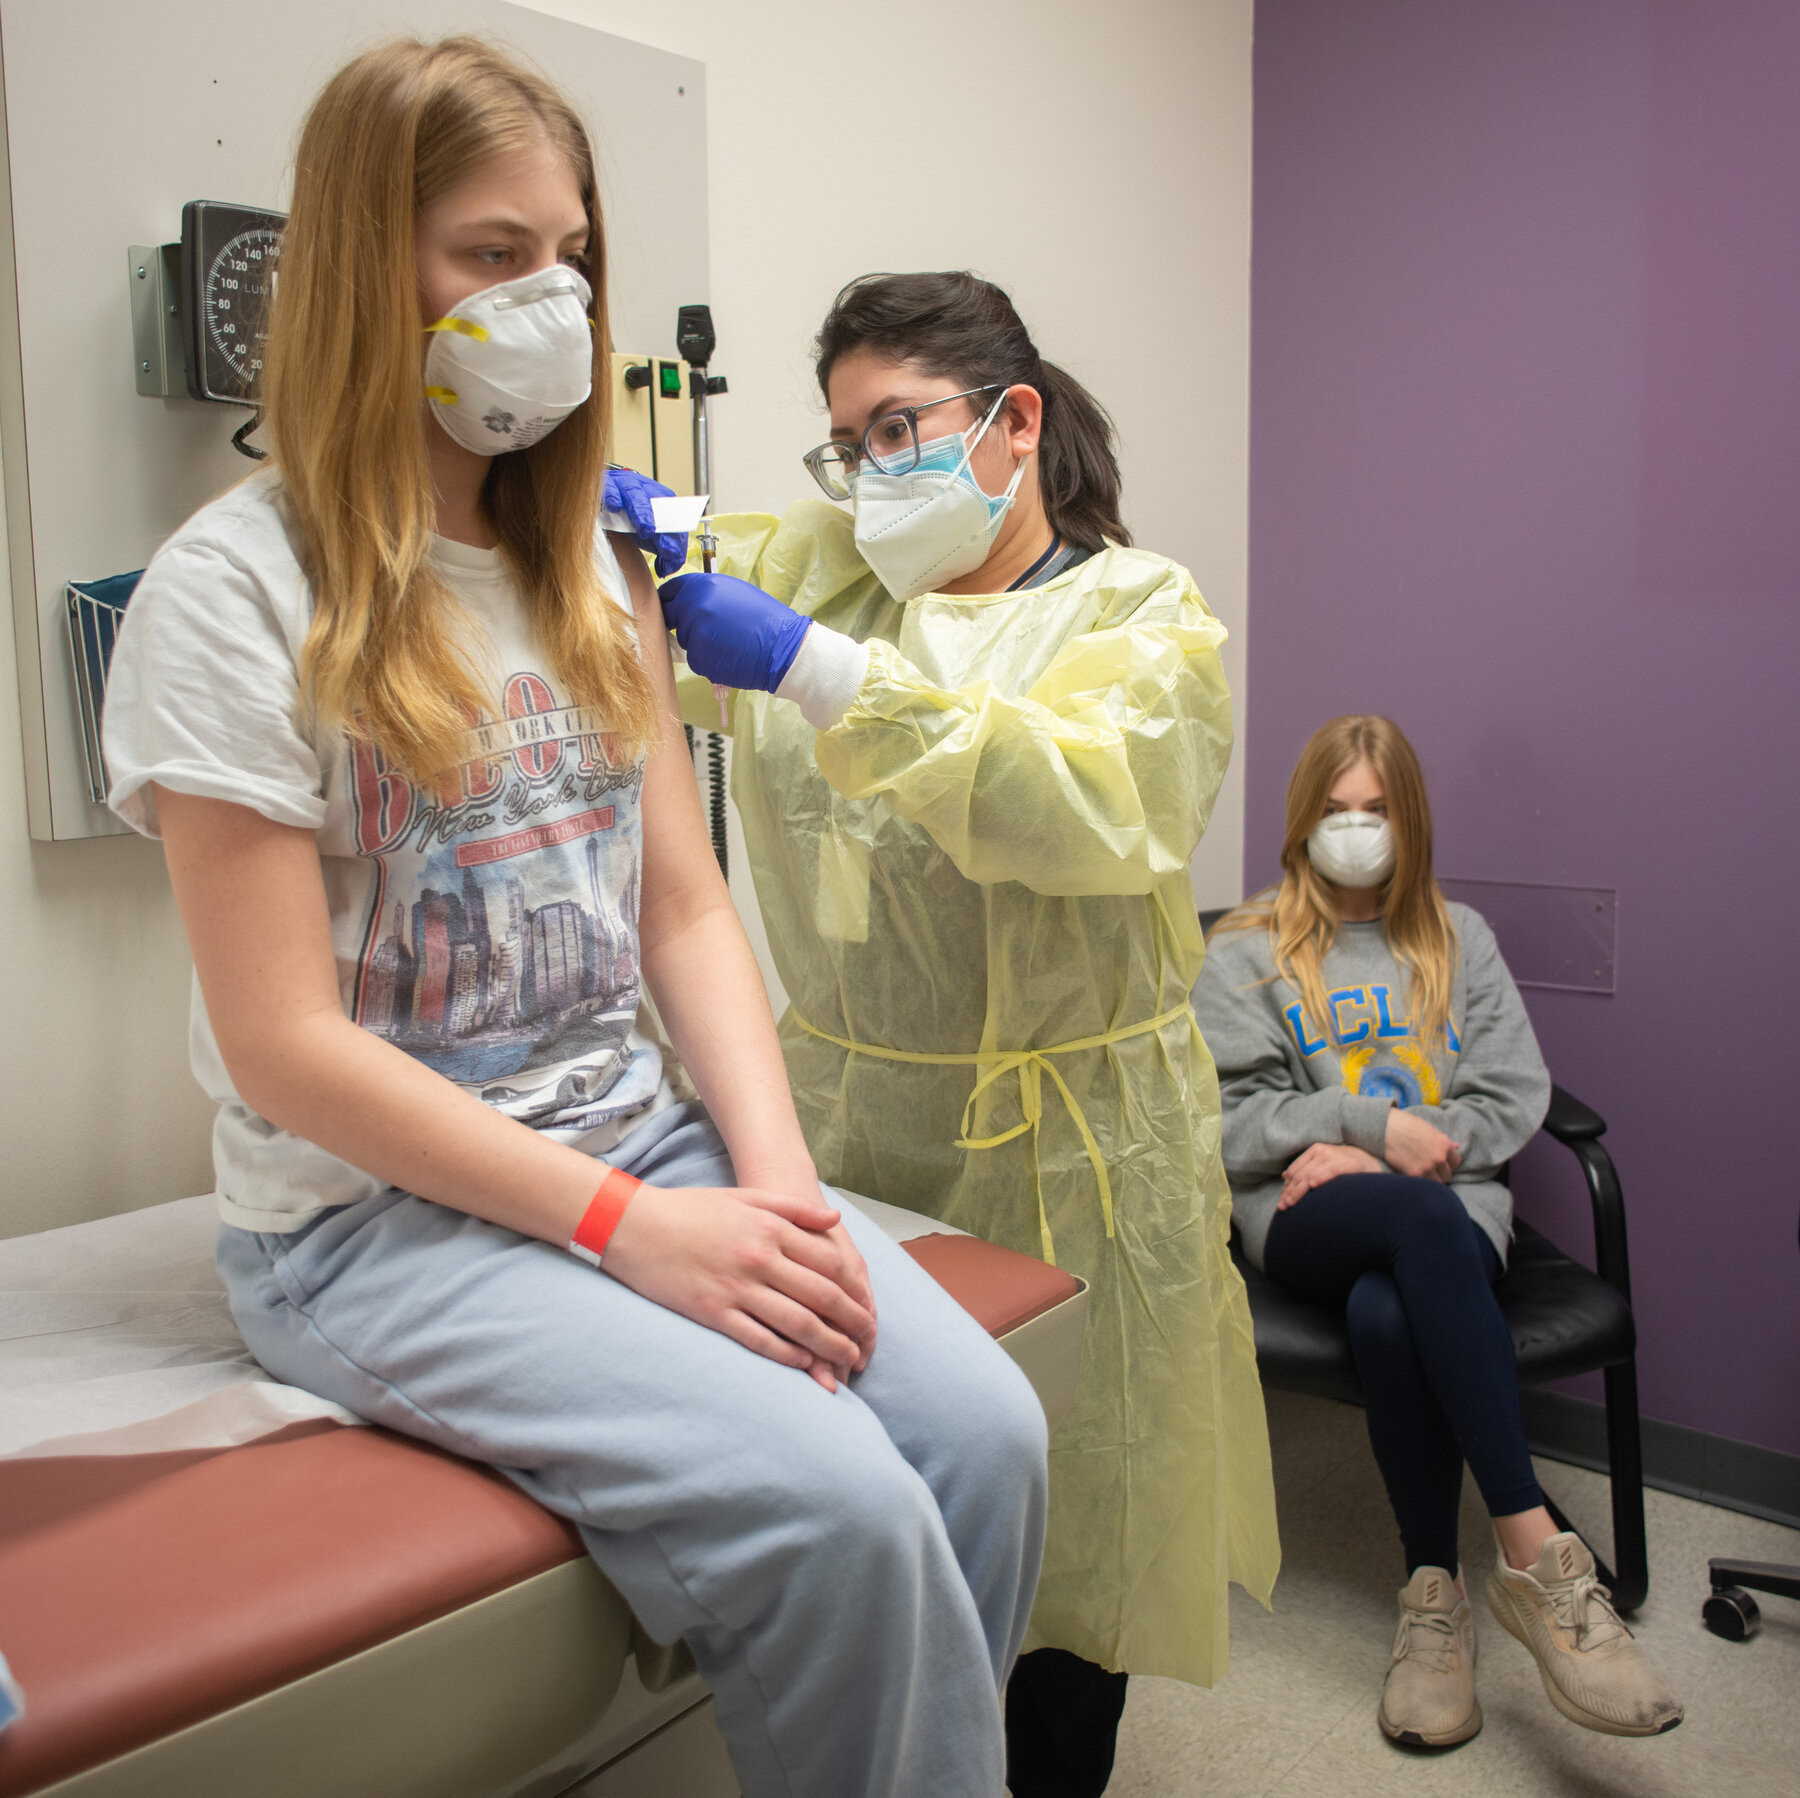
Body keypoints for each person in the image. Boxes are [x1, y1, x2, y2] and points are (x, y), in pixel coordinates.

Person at [99, 41, 1048, 1798]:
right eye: (489, 252)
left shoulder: (599, 571)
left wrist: (775, 1185)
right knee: (840, 1506)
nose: (548, 298)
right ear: (362, 266)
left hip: (648, 1140)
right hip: (374, 1225)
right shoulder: (231, 594)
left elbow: (683, 907)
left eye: (570, 257)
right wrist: (631, 1230)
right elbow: (284, 1050)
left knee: (988, 1432)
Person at [656, 271, 1281, 1797]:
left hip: (1074, 1147)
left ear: (1016, 424)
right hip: (852, 1129)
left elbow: (1082, 801)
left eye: (899, 430)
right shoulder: (838, 574)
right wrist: (618, 523)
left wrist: (809, 671)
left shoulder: (1139, 613)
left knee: (1077, 1546)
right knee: (877, 1515)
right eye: (845, 443)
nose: (872, 474)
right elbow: (653, 587)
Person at [1195, 714, 1683, 1748]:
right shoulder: (1246, 949)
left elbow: (1512, 1098)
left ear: (1408, 821)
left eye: (1375, 810)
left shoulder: (1462, 941)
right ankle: (1535, 1554)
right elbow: (1226, 1124)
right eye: (1335, 811)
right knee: (1406, 1224)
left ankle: (1434, 1599)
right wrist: (1368, 1125)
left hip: (1447, 1211)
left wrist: (1395, 1150)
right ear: (1303, 821)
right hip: (1300, 1215)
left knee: (1387, 1308)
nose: (1356, 830)